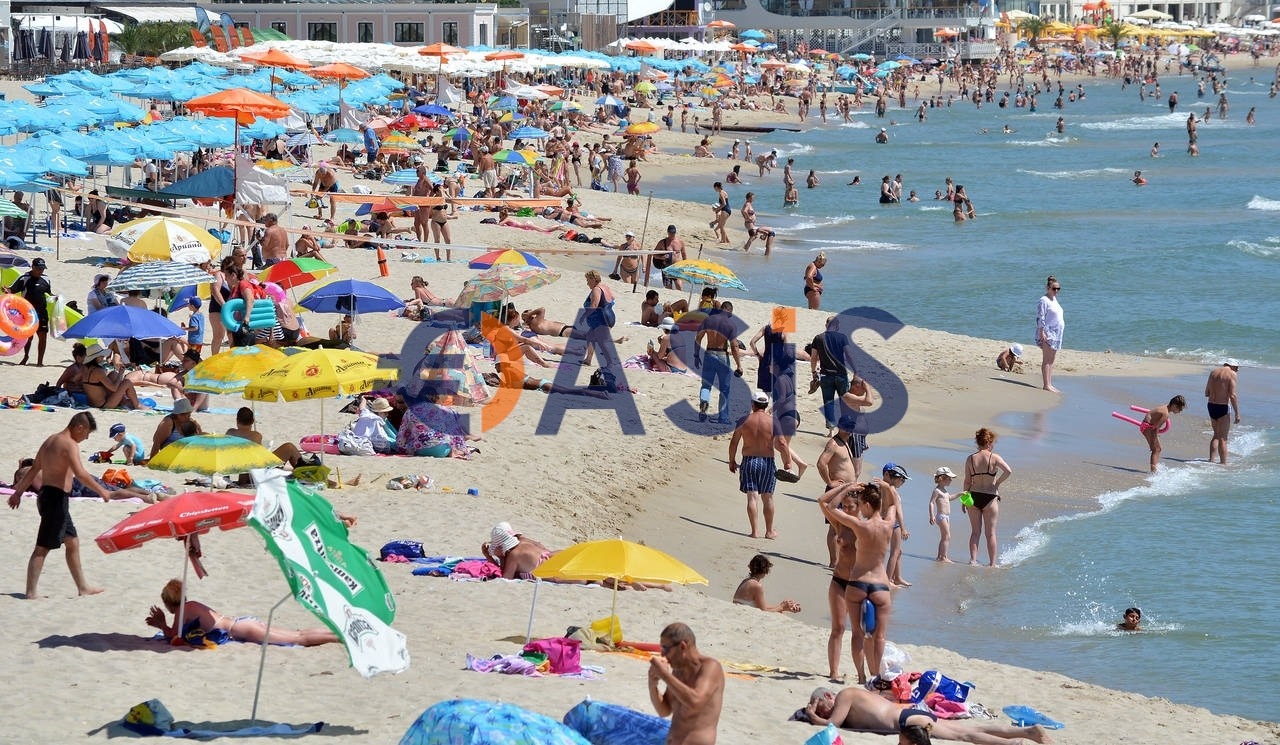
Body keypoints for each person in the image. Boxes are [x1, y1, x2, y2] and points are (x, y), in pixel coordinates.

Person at [8, 413, 109, 599]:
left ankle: (83, 587)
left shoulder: (50, 440)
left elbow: (34, 469)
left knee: (72, 542)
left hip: (48, 497)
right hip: (55, 500)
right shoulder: (69, 444)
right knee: (42, 547)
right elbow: (80, 474)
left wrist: (18, 492)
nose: (86, 437)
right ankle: (31, 592)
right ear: (79, 427)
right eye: (87, 433)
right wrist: (102, 491)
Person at [818, 482, 894, 680]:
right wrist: (847, 487)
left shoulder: (859, 526)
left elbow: (831, 506)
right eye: (844, 506)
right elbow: (823, 502)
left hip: (857, 583)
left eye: (851, 506)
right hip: (842, 581)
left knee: (864, 634)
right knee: (839, 629)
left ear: (861, 506)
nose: (846, 509)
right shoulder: (841, 525)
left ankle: (867, 674)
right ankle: (836, 672)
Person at [803, 687, 1054, 744]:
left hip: (906, 720)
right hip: (911, 715)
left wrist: (813, 716)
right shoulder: (856, 697)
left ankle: (1014, 743)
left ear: (828, 696)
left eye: (824, 706)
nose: (827, 711)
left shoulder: (845, 694)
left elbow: (832, 725)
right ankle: (1027, 732)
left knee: (965, 736)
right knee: (972, 730)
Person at [146, 578, 339, 646]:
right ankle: (337, 634)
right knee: (298, 634)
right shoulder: (192, 604)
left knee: (298, 639)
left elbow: (175, 637)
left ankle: (338, 638)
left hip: (240, 629)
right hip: (242, 623)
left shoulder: (182, 611)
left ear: (169, 603)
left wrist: (161, 624)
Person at [648, 623, 724, 745]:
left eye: (665, 649)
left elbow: (695, 702)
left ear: (682, 646)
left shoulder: (710, 667)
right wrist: (652, 685)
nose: (663, 655)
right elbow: (664, 711)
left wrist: (665, 675)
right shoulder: (677, 672)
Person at [728, 391, 778, 539]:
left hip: (749, 461)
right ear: (766, 405)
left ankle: (755, 531)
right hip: (767, 461)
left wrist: (732, 460)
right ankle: (769, 531)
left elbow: (734, 442)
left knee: (752, 497)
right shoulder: (773, 422)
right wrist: (788, 462)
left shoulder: (743, 420)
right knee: (767, 497)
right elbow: (782, 443)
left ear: (752, 405)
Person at [963, 428, 1012, 567]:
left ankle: (973, 561)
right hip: (990, 497)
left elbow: (967, 481)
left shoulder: (970, 458)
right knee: (990, 534)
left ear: (978, 442)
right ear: (989, 442)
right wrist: (997, 483)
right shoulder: (994, 457)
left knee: (975, 532)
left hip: (973, 496)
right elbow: (1008, 471)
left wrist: (964, 500)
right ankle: (992, 564)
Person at [695, 303, 744, 424]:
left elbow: (698, 338)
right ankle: (723, 417)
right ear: (729, 310)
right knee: (724, 389)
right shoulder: (730, 324)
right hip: (722, 355)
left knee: (706, 385)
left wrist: (696, 355)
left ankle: (704, 403)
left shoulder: (708, 320)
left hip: (709, 354)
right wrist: (739, 365)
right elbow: (734, 346)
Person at [8, 257, 51, 366]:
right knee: (28, 338)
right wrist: (7, 290)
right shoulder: (24, 278)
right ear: (33, 267)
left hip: (42, 312)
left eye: (42, 269)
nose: (41, 271)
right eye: (39, 269)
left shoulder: (46, 279)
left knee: (43, 337)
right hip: (27, 313)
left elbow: (49, 294)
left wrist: (56, 298)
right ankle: (26, 356)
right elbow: (12, 290)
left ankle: (40, 362)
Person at [878, 463, 911, 588]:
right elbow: (898, 511)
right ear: (893, 477)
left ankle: (897, 577)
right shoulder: (892, 490)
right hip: (894, 522)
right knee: (895, 552)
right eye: (901, 479)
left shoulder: (883, 488)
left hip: (885, 520)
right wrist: (903, 528)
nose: (903, 482)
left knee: (898, 551)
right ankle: (888, 580)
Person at [732, 554, 800, 613]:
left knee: (781, 611)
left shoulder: (746, 581)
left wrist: (784, 607)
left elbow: (760, 605)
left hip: (739, 611)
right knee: (781, 613)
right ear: (765, 571)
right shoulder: (757, 586)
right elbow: (764, 611)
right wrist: (781, 607)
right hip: (744, 614)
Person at [1205, 359, 1241, 464]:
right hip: (1223, 407)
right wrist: (1237, 413)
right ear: (1233, 366)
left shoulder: (1213, 372)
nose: (1236, 371)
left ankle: (1211, 460)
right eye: (1237, 368)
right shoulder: (1232, 374)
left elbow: (1206, 392)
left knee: (1216, 434)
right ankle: (1224, 465)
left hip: (1211, 406)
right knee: (1223, 438)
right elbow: (1232, 395)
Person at [1139, 395, 1186, 473]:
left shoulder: (1164, 407)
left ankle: (1154, 469)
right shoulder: (1166, 414)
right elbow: (1155, 428)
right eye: (1180, 409)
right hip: (1148, 427)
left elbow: (1152, 419)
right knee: (1156, 449)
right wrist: (1153, 440)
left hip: (1146, 425)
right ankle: (1154, 472)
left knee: (1157, 449)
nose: (1180, 411)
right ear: (1174, 406)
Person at [1035, 275, 1064, 392]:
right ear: (1048, 288)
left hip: (1057, 333)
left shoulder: (1054, 300)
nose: (1056, 291)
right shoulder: (1044, 300)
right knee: (1046, 359)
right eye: (1054, 288)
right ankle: (1046, 385)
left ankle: (1050, 383)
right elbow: (1040, 317)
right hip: (1048, 332)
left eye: (1058, 289)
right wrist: (1041, 332)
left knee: (1051, 360)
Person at [929, 466, 959, 562]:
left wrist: (960, 494)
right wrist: (932, 515)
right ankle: (943, 557)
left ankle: (939, 556)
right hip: (941, 516)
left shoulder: (944, 490)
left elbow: (949, 498)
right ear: (942, 478)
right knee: (947, 536)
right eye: (949, 478)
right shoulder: (937, 490)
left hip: (946, 517)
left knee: (944, 536)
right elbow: (931, 503)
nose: (951, 480)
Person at [651, 224, 687, 289]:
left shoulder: (680, 242)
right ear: (667, 232)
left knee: (679, 286)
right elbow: (654, 254)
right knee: (668, 288)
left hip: (677, 268)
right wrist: (661, 257)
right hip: (666, 268)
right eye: (670, 232)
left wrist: (686, 266)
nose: (672, 234)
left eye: (673, 232)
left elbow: (684, 254)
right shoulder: (662, 242)